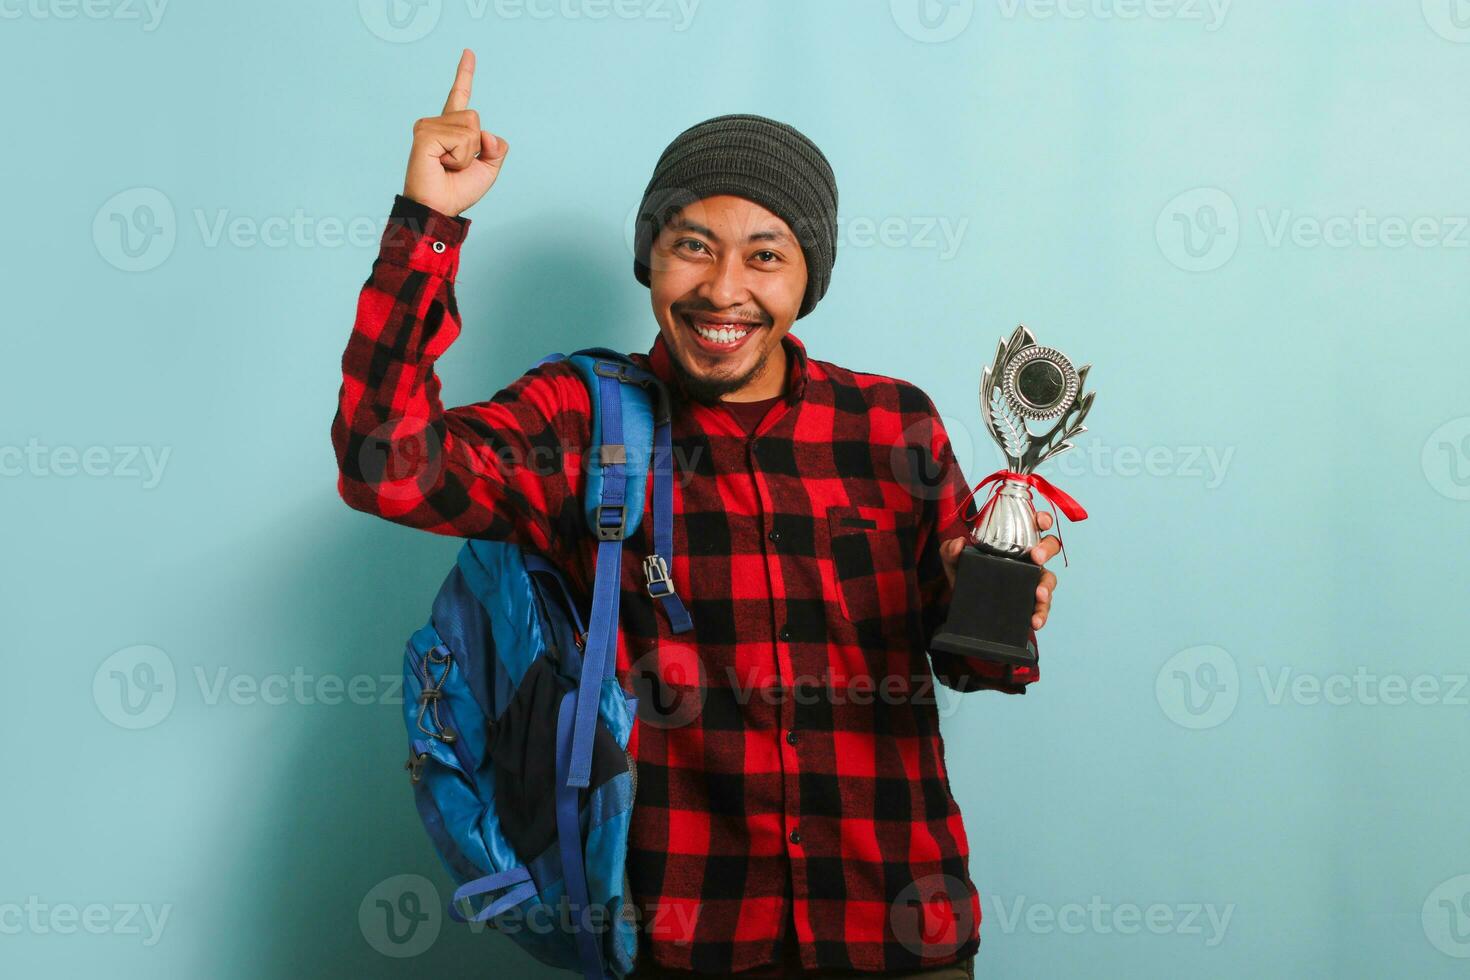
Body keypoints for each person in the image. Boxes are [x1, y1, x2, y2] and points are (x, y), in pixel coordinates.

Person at [332, 48, 1064, 980]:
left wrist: (996, 601)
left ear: (808, 276)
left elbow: (969, 666)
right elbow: (382, 469)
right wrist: (427, 227)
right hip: (689, 937)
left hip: (899, 926)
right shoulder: (580, 416)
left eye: (766, 255)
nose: (724, 289)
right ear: (651, 258)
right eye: (692, 246)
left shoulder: (892, 424)